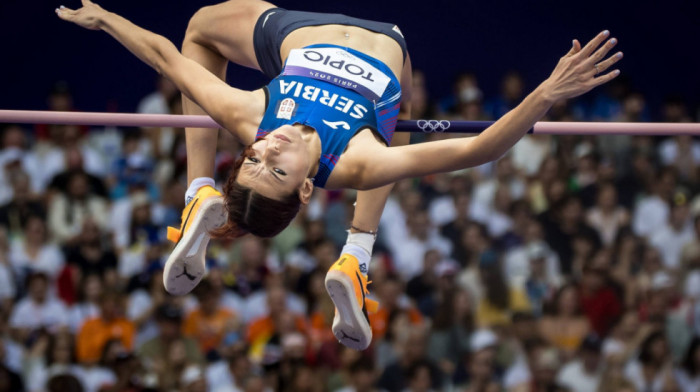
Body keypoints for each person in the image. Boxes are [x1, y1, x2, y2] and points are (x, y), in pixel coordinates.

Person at [56, 0, 622, 351]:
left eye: (251, 159)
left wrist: (105, 19)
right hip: (388, 46)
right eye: (274, 168)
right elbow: (481, 148)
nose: (265, 149)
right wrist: (546, 93)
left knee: (201, 28)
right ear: (307, 188)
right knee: (393, 120)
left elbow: (164, 54)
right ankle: (357, 249)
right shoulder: (356, 162)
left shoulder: (252, 117)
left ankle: (199, 190)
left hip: (299, 33)